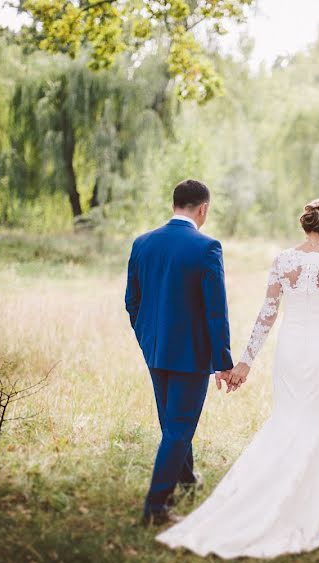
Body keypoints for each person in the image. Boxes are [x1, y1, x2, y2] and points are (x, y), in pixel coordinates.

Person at [156, 198, 319, 558]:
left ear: (306, 225)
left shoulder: (284, 261)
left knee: (289, 421)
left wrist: (244, 362)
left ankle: (281, 494)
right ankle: (313, 504)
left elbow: (266, 315)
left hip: (290, 353)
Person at [125, 179, 234, 525]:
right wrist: (222, 362)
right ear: (203, 209)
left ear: (175, 205)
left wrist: (148, 339)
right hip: (191, 357)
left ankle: (186, 480)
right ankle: (156, 507)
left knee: (172, 424)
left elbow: (132, 301)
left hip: (156, 352)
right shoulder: (207, 247)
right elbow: (215, 311)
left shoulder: (143, 243)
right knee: (178, 428)